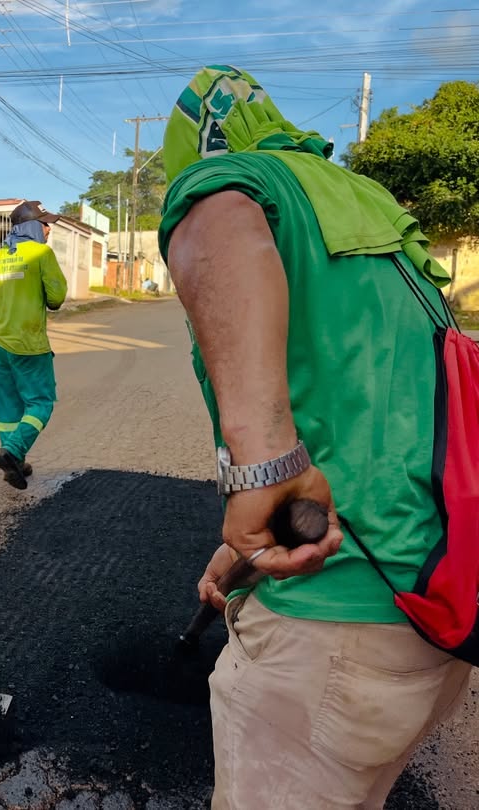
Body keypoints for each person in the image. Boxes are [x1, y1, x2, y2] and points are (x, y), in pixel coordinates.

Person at [158, 65, 472, 809]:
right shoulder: (367, 205)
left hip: (333, 641)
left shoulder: (229, 184)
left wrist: (266, 464)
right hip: (426, 617)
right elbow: (367, 412)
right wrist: (243, 551)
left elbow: (219, 222)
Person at [0, 200, 67, 490]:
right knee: (41, 402)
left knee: (10, 407)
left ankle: (14, 463)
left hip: (1, 344)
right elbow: (56, 298)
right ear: (31, 227)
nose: (48, 229)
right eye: (44, 223)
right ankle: (13, 452)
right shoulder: (41, 254)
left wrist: (7, 304)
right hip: (30, 343)